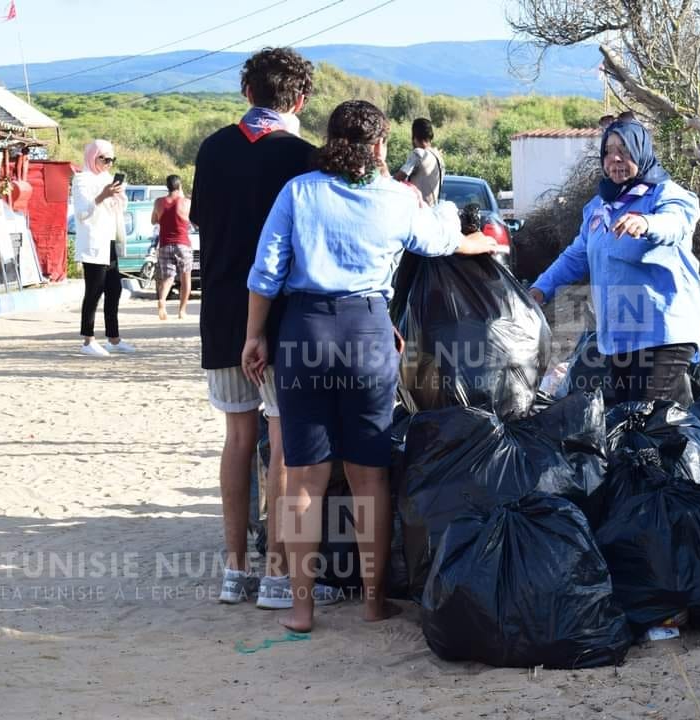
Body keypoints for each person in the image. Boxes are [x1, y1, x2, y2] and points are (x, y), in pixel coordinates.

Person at [242, 100, 501, 632]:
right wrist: (482, 241)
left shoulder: (299, 192)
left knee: (305, 478)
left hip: (304, 330)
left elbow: (265, 273)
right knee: (369, 477)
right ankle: (374, 601)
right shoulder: (397, 199)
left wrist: (253, 336)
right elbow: (442, 241)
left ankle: (300, 608)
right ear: (381, 146)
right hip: (368, 332)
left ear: (331, 140)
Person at [190, 46, 336, 610]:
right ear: (299, 99)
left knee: (237, 437)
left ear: (247, 92)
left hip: (222, 311)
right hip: (280, 317)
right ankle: (278, 571)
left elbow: (205, 220)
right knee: (281, 441)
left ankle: (234, 570)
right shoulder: (303, 157)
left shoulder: (212, 149)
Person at [528, 118, 700, 406]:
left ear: (642, 152)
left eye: (624, 150)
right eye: (609, 151)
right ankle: (688, 444)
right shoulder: (599, 208)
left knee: (649, 415)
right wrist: (540, 289)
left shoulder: (668, 195)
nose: (615, 159)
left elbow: (676, 224)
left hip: (665, 331)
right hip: (622, 333)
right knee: (629, 417)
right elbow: (576, 256)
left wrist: (647, 223)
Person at [72, 139, 136, 357]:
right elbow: (81, 212)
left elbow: (119, 209)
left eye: (112, 159)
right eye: (104, 158)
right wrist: (102, 195)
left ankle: (113, 338)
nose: (109, 163)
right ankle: (88, 339)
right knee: (94, 290)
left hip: (109, 240)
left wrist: (118, 195)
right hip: (93, 242)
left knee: (114, 289)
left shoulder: (108, 179)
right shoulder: (82, 179)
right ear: (93, 157)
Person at [151, 175, 193, 321]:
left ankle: (162, 300)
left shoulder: (159, 202)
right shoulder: (186, 203)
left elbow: (153, 221)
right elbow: (195, 221)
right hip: (183, 243)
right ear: (180, 186)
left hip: (164, 244)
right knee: (185, 277)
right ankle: (182, 311)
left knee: (168, 278)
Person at [393, 117, 443, 206]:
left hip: (418, 210)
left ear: (414, 136)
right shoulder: (438, 157)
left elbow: (397, 179)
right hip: (433, 209)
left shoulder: (418, 154)